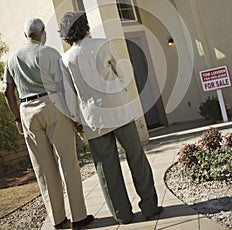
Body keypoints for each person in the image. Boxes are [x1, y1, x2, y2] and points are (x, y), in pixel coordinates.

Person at [59, 12, 163, 225]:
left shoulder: (66, 59)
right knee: (137, 158)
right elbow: (123, 75)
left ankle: (122, 215)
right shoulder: (103, 44)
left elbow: (70, 95)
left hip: (93, 119)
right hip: (119, 110)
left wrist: (77, 119)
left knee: (107, 169)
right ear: (85, 26)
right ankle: (150, 207)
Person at [4, 18, 94, 230]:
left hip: (27, 111)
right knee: (67, 162)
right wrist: (75, 117)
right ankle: (78, 217)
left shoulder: (12, 58)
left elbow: (8, 92)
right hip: (53, 105)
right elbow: (65, 86)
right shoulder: (50, 53)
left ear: (26, 35)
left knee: (44, 168)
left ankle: (58, 219)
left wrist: (17, 119)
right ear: (42, 33)